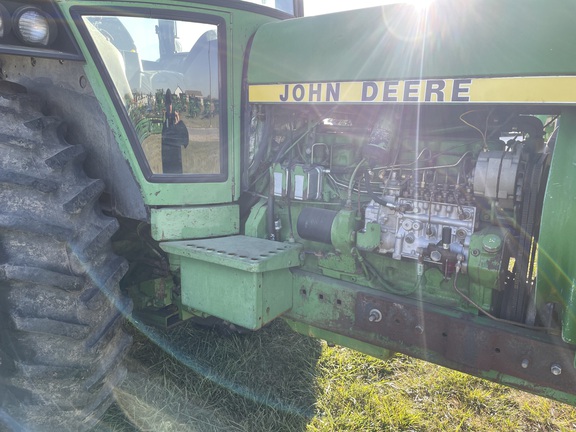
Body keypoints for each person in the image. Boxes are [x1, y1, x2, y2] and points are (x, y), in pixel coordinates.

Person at [161, 89, 189, 173]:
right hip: (167, 162)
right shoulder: (165, 122)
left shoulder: (178, 123)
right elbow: (165, 137)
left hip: (175, 161)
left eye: (170, 104)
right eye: (167, 104)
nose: (169, 107)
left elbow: (185, 142)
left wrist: (179, 124)